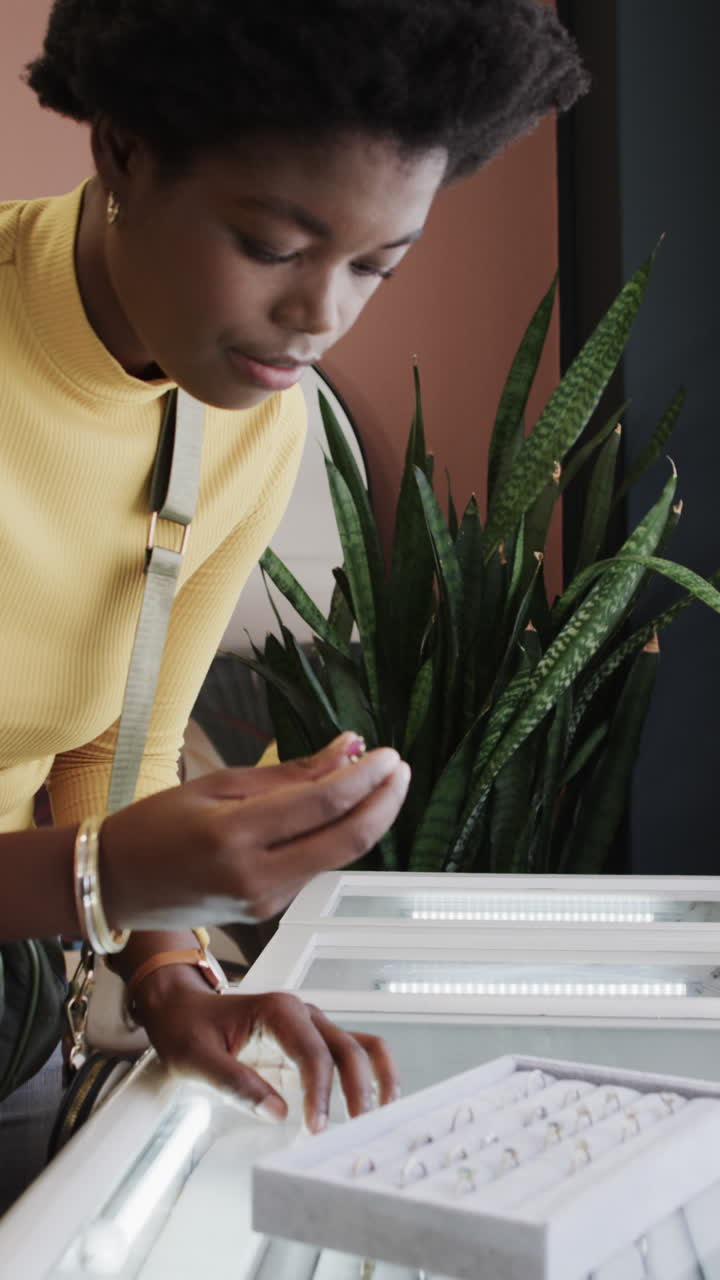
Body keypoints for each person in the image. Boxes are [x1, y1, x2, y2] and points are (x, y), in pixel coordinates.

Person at [0, 0, 588, 1212]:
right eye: (273, 244)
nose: (321, 314)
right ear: (120, 150)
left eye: (378, 264)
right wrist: (102, 878)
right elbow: (100, 851)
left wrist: (174, 980)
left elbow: (119, 739)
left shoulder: (254, 415)